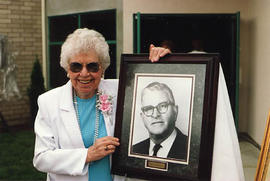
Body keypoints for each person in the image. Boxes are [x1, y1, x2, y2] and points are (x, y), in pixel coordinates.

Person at [32, 28, 170, 181]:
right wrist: (87, 155)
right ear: (67, 69)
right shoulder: (49, 101)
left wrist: (162, 60)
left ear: (102, 68)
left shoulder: (122, 90)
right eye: (76, 66)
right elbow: (41, 158)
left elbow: (155, 85)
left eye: (92, 66)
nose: (84, 73)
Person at [132, 82, 187, 160]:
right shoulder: (134, 150)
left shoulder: (192, 149)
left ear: (175, 111)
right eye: (148, 108)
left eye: (162, 106)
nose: (155, 115)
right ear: (142, 117)